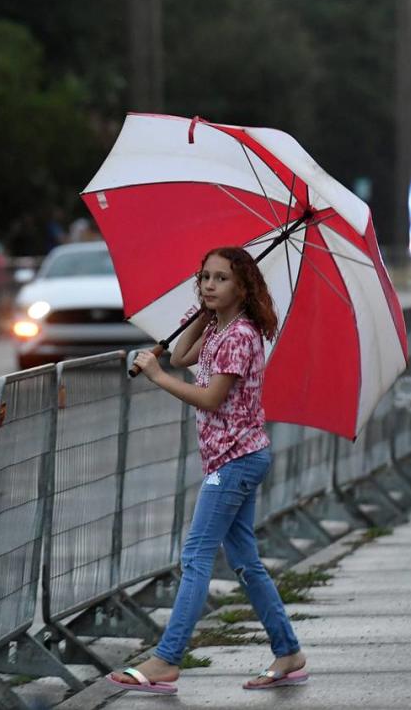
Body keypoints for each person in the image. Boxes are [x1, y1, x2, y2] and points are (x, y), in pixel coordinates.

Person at [107, 247, 307, 695]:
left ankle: (166, 660)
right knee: (244, 561)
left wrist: (156, 377)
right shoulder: (220, 328)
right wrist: (201, 312)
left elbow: (211, 397)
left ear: (243, 287)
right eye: (204, 278)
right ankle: (288, 651)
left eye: (221, 279)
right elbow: (181, 356)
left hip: (236, 461)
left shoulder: (241, 335)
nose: (210, 285)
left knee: (196, 556)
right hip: (231, 458)